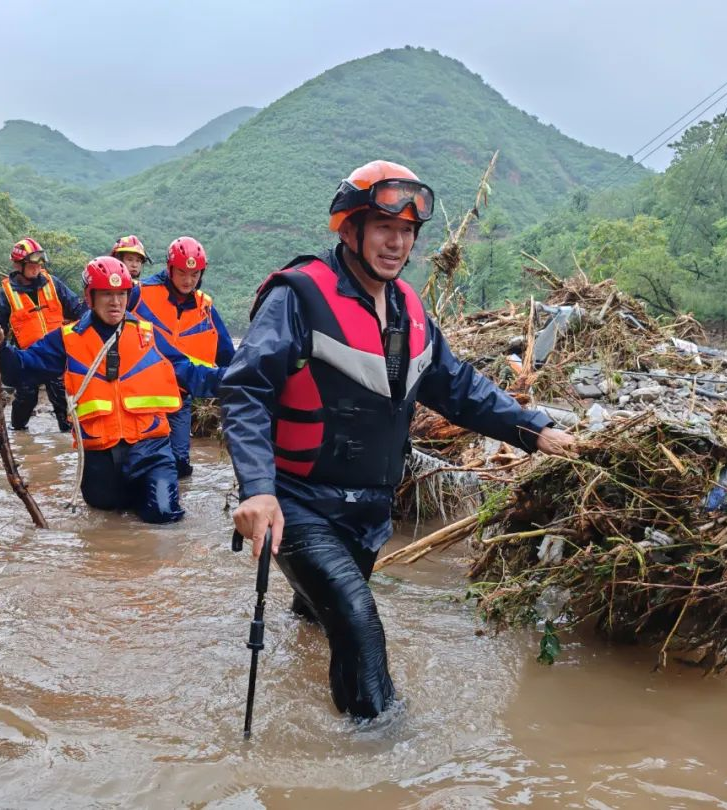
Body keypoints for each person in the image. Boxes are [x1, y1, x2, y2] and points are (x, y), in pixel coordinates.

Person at [220, 160, 577, 721]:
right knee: (360, 621)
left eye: (408, 232)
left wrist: (534, 430)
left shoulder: (410, 311)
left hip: (369, 509)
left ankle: (302, 657)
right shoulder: (298, 297)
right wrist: (259, 489)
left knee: (323, 614)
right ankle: (381, 753)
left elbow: (457, 387)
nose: (397, 242)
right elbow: (245, 390)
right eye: (384, 228)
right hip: (297, 503)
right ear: (349, 230)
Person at [0, 257, 219, 523]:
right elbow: (22, 369)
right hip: (100, 460)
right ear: (89, 297)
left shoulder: (148, 335)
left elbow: (193, 374)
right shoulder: (67, 339)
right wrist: (0, 349)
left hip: (151, 453)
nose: (115, 302)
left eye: (121, 294)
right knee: (106, 519)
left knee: (163, 517)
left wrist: (240, 379)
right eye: (106, 294)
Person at [130, 236, 234, 477]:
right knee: (142, 463)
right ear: (169, 269)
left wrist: (242, 380)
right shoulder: (140, 294)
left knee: (180, 464)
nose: (188, 281)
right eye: (182, 273)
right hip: (143, 396)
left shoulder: (205, 307)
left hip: (180, 395)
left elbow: (227, 353)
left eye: (195, 274)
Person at [0, 237, 87, 432]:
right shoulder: (6, 293)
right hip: (28, 357)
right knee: (26, 398)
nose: (37, 267)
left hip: (57, 353)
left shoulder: (53, 283)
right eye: (32, 263)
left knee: (63, 400)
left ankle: (70, 436)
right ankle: (18, 435)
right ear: (18, 264)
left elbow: (77, 309)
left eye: (39, 262)